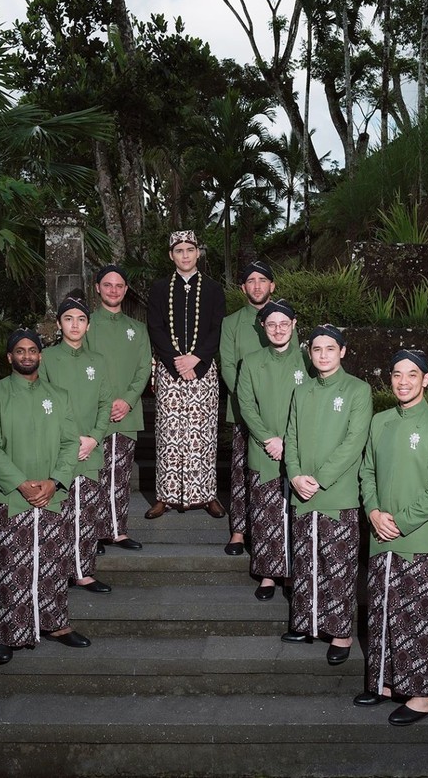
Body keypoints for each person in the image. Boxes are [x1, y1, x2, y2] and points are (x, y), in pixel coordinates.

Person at [354, 349, 428, 726]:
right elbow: (367, 472)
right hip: (381, 531)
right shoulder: (380, 421)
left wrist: (400, 522)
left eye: (412, 374)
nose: (403, 382)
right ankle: (384, 683)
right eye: (397, 374)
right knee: (381, 609)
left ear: (426, 379)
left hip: (416, 537)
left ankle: (422, 696)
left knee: (415, 615)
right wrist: (373, 512)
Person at [0, 328, 86, 665]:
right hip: (8, 495)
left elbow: (70, 442)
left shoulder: (59, 395)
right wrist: (21, 484)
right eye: (20, 351)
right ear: (10, 356)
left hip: (52, 493)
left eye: (32, 350)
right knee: (9, 565)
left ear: (41, 355)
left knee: (53, 561)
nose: (27, 355)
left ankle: (56, 624)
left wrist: (55, 481)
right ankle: (4, 633)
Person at [283, 324, 372, 664]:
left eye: (330, 348)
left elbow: (354, 442)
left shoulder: (357, 390)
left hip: (337, 493)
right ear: (309, 353)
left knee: (338, 566)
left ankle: (340, 633)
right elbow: (291, 436)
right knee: (306, 562)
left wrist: (319, 480)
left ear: (342, 351)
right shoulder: (302, 390)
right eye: (317, 349)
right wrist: (294, 475)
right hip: (302, 491)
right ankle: (307, 623)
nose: (322, 355)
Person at [145, 230, 226, 519]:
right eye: (179, 250)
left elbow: (217, 328)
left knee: (203, 435)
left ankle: (207, 494)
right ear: (171, 255)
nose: (185, 255)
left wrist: (196, 359)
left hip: (203, 371)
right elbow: (155, 327)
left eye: (190, 249)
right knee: (169, 434)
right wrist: (176, 362)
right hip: (170, 371)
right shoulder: (159, 289)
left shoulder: (214, 289)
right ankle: (164, 496)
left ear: (198, 253)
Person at [236, 300, 312, 600]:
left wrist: (290, 442)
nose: (278, 330)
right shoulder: (251, 362)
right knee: (265, 512)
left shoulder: (307, 360)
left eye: (283, 324)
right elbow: (246, 405)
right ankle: (268, 574)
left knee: (297, 513)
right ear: (263, 327)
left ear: (294, 325)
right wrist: (269, 438)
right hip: (264, 448)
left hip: (301, 449)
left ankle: (293, 573)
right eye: (271, 324)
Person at [41, 294, 114, 592]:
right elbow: (41, 403)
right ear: (59, 324)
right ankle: (56, 571)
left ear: (88, 325)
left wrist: (94, 438)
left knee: (85, 513)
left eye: (81, 319)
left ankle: (83, 571)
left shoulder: (98, 361)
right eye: (68, 319)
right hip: (57, 449)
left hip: (89, 449)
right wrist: (70, 440)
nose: (75, 324)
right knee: (58, 512)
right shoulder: (46, 359)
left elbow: (105, 404)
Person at [85, 264, 152, 551]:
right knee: (94, 472)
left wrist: (127, 400)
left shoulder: (137, 329)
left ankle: (117, 530)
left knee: (120, 473)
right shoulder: (86, 324)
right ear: (97, 288)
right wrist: (103, 403)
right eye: (107, 285)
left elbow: (144, 368)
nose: (113, 290)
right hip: (92, 413)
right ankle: (93, 532)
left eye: (119, 285)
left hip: (127, 411)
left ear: (125, 290)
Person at [220, 261, 275, 555]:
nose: (257, 285)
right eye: (251, 281)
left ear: (272, 286)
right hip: (243, 408)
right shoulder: (231, 323)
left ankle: (268, 529)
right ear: (243, 288)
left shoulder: (281, 319)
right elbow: (228, 366)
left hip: (278, 411)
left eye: (262, 280)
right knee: (242, 469)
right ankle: (239, 531)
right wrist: (247, 401)